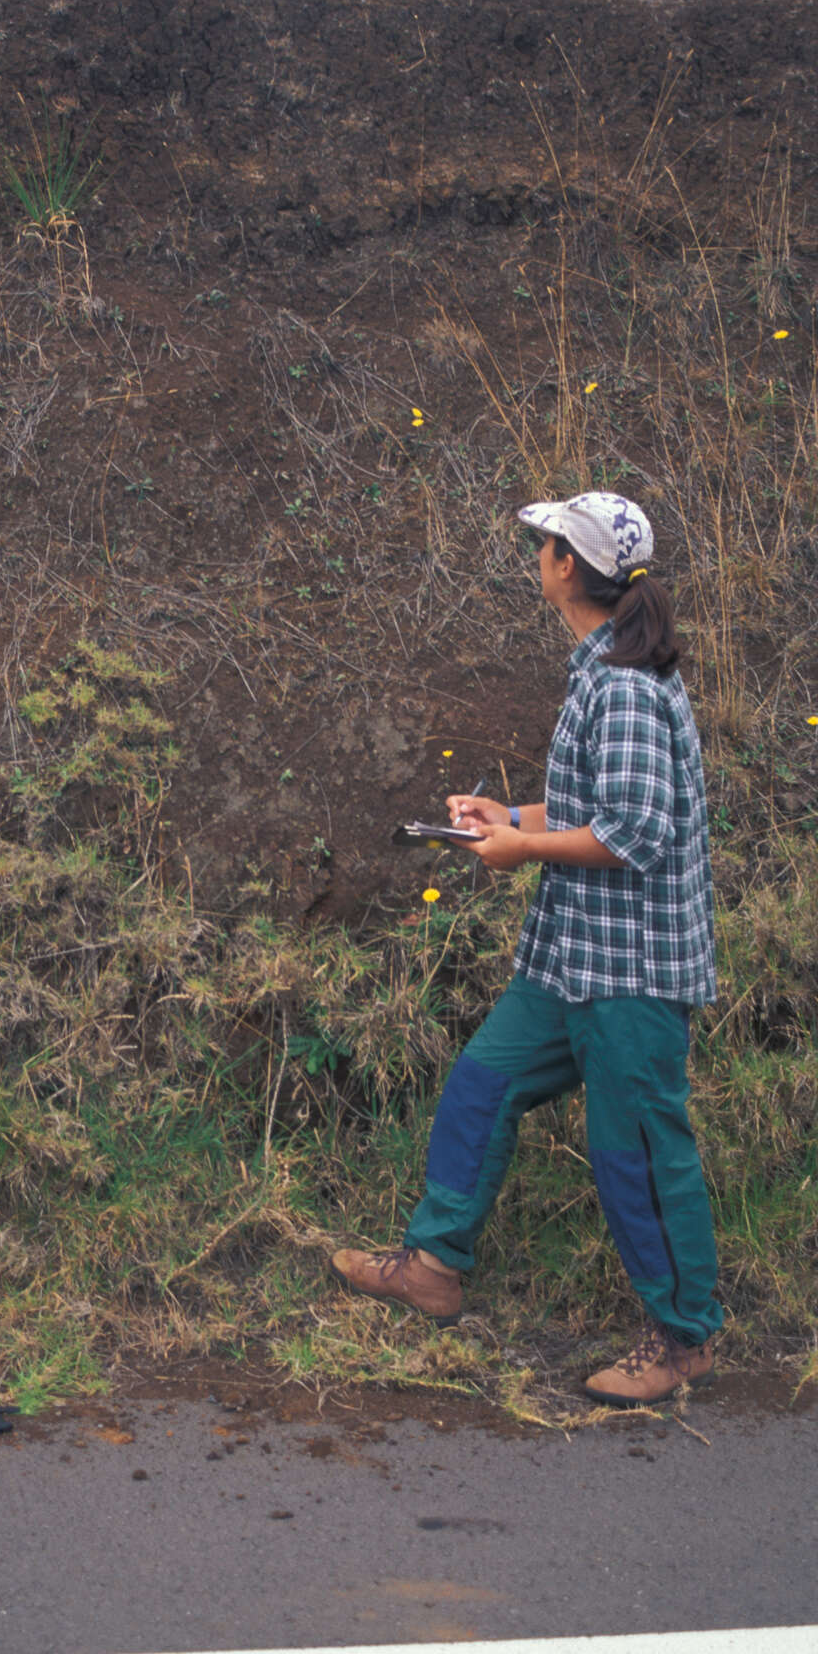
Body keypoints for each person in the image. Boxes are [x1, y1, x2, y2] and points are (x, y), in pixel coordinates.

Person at [333, 491, 723, 1406]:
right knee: (485, 1080)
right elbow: (594, 807)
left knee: (637, 1148)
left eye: (543, 543)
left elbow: (633, 832)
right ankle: (434, 1265)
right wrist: (505, 819)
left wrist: (519, 848)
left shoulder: (624, 685)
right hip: (572, 961)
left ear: (564, 568)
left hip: (628, 973)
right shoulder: (606, 664)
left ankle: (682, 1339)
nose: (535, 553)